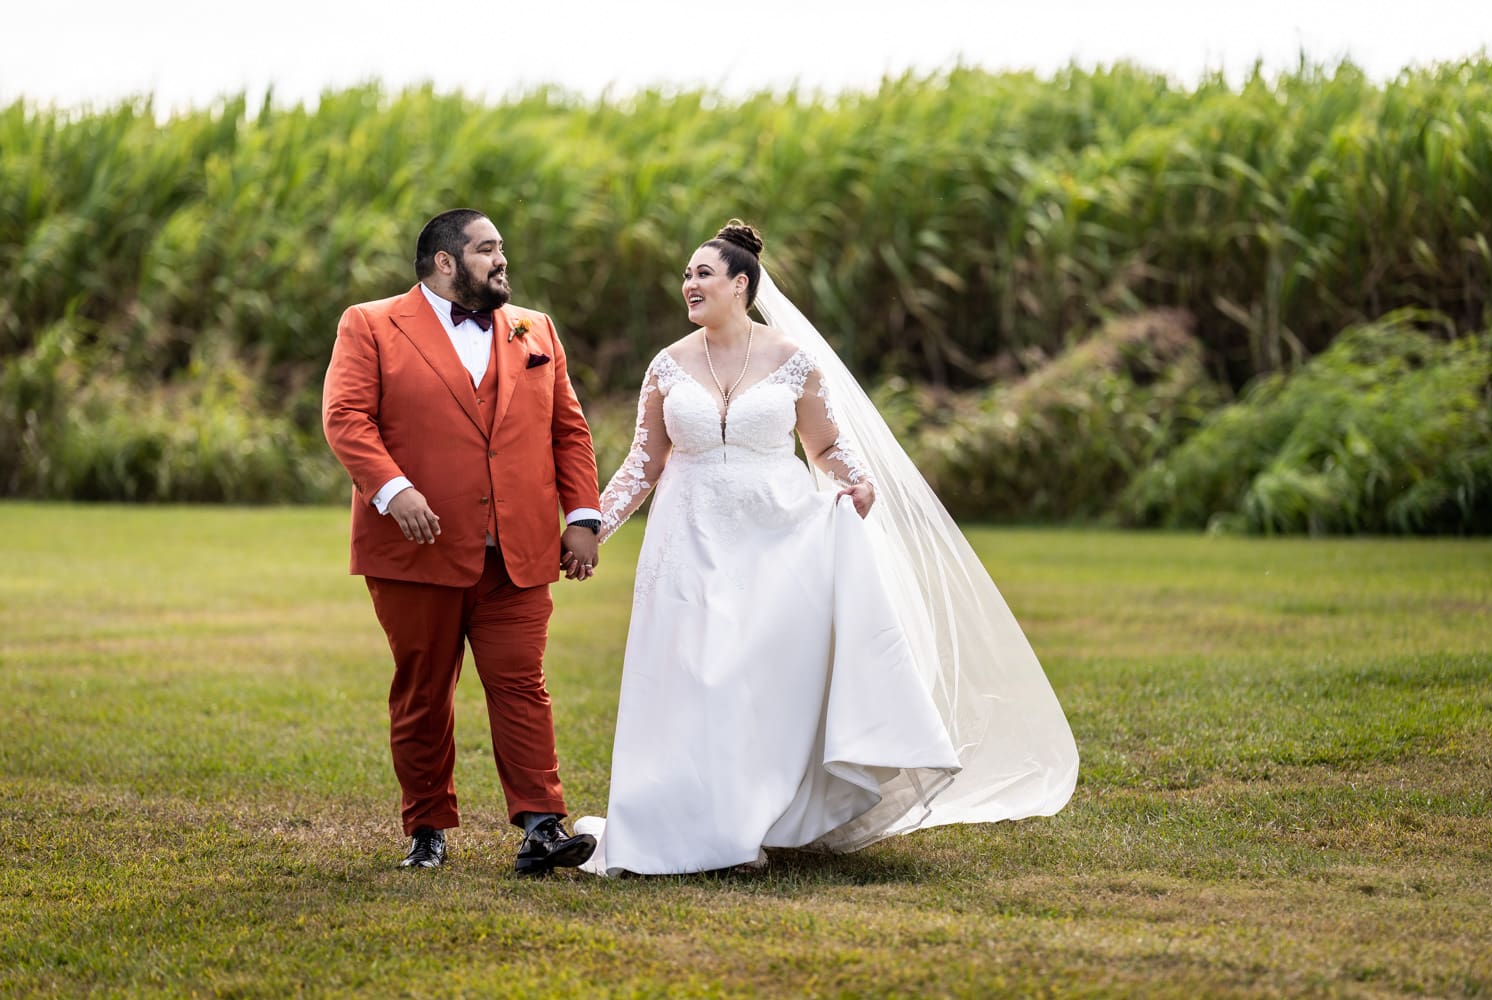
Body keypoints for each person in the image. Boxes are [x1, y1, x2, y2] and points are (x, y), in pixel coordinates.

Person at [574, 221, 1079, 876]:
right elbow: (643, 464)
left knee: (753, 683)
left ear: (741, 284)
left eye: (703, 273)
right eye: (686, 274)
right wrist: (591, 528)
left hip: (776, 540)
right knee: (691, 679)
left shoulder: (792, 360)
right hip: (687, 538)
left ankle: (750, 822)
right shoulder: (667, 365)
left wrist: (854, 482)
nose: (689, 284)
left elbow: (826, 447)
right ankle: (693, 823)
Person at [322, 208, 602, 876]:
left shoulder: (535, 329)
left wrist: (583, 518)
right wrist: (395, 491)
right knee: (423, 691)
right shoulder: (370, 323)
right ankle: (426, 829)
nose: (502, 259)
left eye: (502, 247)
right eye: (487, 249)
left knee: (523, 686)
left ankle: (541, 824)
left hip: (520, 550)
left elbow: (569, 428)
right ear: (445, 262)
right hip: (415, 553)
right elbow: (346, 416)